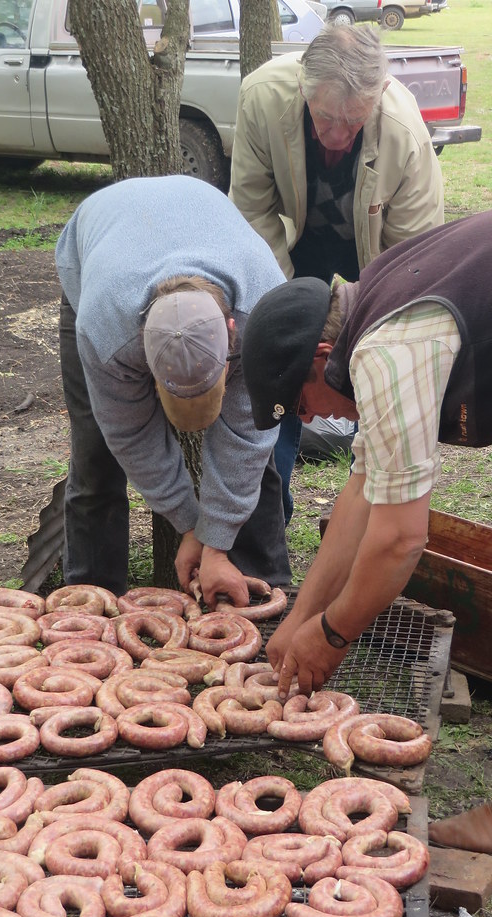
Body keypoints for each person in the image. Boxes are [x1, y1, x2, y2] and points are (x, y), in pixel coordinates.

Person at [239, 199, 492, 857]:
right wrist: (296, 620)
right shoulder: (377, 304)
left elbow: (399, 539)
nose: (307, 423)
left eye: (302, 406)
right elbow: (363, 497)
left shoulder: (390, 350)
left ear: (325, 358)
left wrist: (332, 636)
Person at [229, 21, 444, 523]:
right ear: (304, 85)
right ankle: (269, 516)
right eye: (325, 116)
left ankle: (365, 506)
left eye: (355, 121)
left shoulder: (405, 132)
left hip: (381, 244)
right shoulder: (262, 97)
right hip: (293, 239)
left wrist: (369, 351)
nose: (338, 136)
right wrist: (287, 332)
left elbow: (412, 267)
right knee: (284, 363)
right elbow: (253, 216)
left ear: (380, 95)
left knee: (380, 368)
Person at [54, 175, 291, 610]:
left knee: (258, 455)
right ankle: (91, 605)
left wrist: (215, 545)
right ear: (142, 353)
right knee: (96, 453)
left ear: (231, 336)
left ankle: (260, 587)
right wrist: (187, 526)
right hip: (99, 242)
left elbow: (248, 434)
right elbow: (129, 433)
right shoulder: (107, 332)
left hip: (199, 217)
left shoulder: (262, 308)